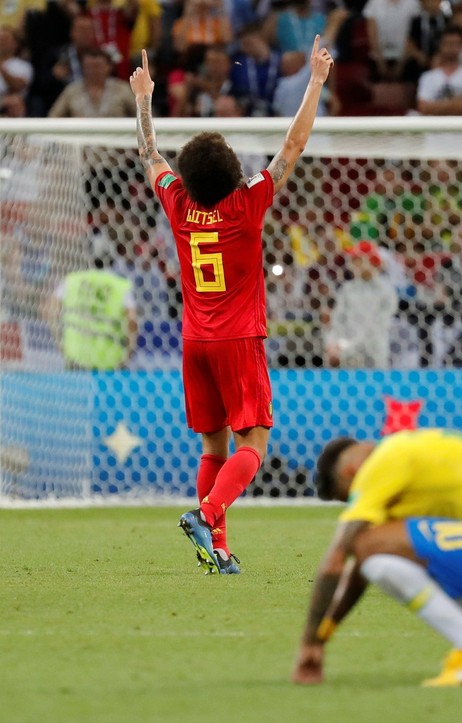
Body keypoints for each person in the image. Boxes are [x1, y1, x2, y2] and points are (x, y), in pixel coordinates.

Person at [130, 36, 332, 574]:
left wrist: (144, 98)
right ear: (233, 172)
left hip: (194, 340)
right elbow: (294, 146)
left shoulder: (176, 202)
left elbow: (150, 154)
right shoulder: (248, 204)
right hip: (239, 339)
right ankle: (208, 513)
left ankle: (218, 549)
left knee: (212, 448)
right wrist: (314, 82)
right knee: (255, 442)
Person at [291, 429, 462, 687]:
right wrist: (323, 637)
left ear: (351, 473)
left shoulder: (383, 463)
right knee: (400, 555)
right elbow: (361, 567)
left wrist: (309, 643)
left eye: (350, 497)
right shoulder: (411, 452)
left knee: (369, 545)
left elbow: (340, 558)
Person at [48, 258, 138, 371]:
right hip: (109, 360)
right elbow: (132, 321)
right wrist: (128, 353)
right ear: (113, 261)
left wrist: (59, 342)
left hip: (76, 357)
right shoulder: (120, 285)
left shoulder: (72, 280)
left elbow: (49, 311)